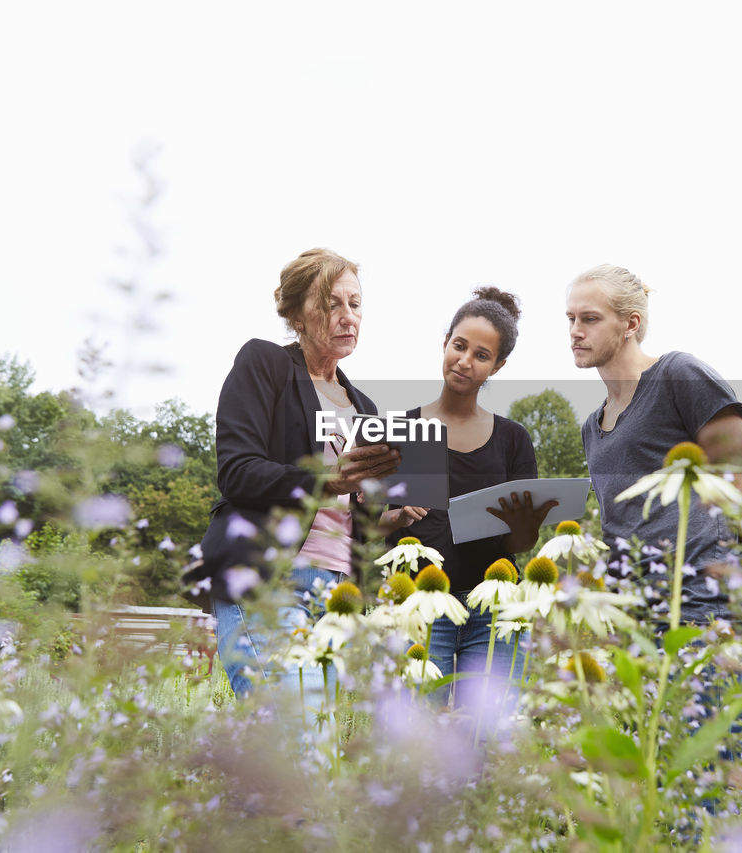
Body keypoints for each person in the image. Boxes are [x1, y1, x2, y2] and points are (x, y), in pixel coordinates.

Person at [191, 248, 401, 699]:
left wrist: (387, 517)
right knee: (292, 730)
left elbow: (351, 515)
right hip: (271, 577)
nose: (348, 317)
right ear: (296, 315)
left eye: (355, 304)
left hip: (340, 593)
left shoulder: (365, 407)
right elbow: (238, 472)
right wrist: (329, 481)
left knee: (318, 746)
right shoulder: (265, 364)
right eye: (331, 304)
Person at [566, 263, 742, 625]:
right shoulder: (591, 427)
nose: (575, 331)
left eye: (590, 319)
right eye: (570, 319)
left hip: (703, 605)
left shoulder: (680, 375)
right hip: (632, 617)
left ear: (630, 324)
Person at [385, 287, 555, 720]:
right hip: (422, 604)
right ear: (445, 343)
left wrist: (523, 525)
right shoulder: (404, 427)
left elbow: (520, 543)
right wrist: (397, 515)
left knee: (490, 733)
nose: (465, 360)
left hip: (493, 611)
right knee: (418, 732)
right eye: (459, 346)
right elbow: (368, 523)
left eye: (482, 355)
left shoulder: (512, 438)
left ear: (497, 366)